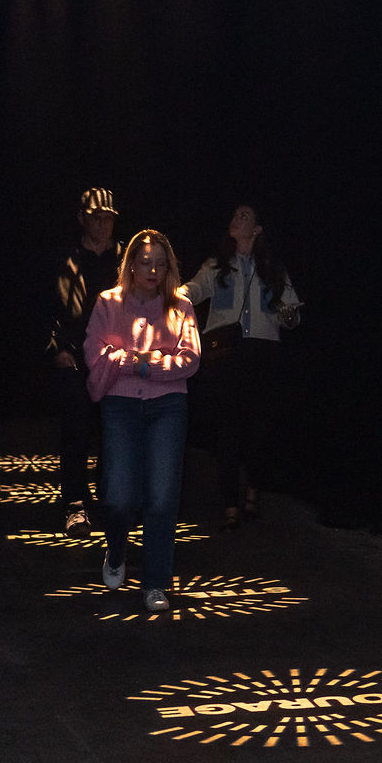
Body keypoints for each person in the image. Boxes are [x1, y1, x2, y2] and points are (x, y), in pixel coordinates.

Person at [84, 229, 200, 612]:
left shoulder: (181, 306)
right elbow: (94, 353)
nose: (152, 270)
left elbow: (189, 359)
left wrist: (140, 363)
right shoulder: (109, 302)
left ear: (169, 268)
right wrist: (135, 360)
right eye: (146, 262)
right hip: (120, 405)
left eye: (160, 264)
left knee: (162, 496)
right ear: (131, 264)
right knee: (119, 496)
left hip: (168, 405)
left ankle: (155, 583)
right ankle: (116, 550)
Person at [184, 203, 300, 530]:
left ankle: (252, 490)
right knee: (228, 429)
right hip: (226, 356)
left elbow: (291, 313)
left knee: (258, 430)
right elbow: (194, 290)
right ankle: (230, 504)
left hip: (263, 354)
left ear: (257, 229)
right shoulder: (217, 265)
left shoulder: (273, 269)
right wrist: (173, 294)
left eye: (245, 216)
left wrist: (289, 315)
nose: (236, 218)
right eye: (235, 214)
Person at [46, 187, 122, 535]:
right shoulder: (66, 258)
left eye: (108, 218)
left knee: (113, 432)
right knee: (76, 431)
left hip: (115, 358)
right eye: (96, 217)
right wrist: (56, 349)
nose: (103, 224)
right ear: (81, 218)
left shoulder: (125, 257)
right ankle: (75, 504)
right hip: (74, 356)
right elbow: (46, 306)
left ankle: (108, 500)